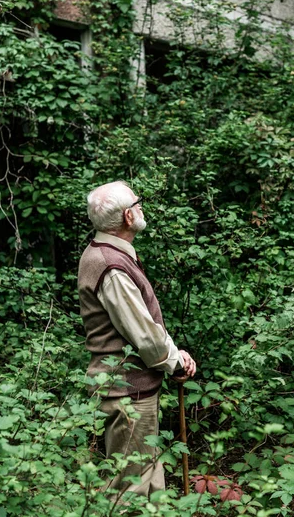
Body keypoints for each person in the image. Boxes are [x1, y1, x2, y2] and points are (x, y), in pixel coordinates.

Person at [78, 181, 196, 500]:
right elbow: (143, 334)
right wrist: (176, 362)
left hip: (127, 389)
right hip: (128, 392)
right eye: (138, 203)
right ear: (129, 216)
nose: (142, 207)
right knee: (131, 488)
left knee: (145, 475)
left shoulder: (106, 253)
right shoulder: (112, 266)